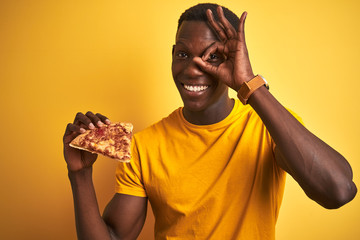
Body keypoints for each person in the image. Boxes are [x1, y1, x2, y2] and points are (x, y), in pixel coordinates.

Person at [63, 3, 357, 240]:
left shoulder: (269, 127)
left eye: (211, 57)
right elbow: (114, 236)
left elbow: (339, 191)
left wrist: (249, 85)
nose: (193, 69)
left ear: (234, 59)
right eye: (183, 54)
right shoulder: (143, 146)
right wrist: (80, 176)